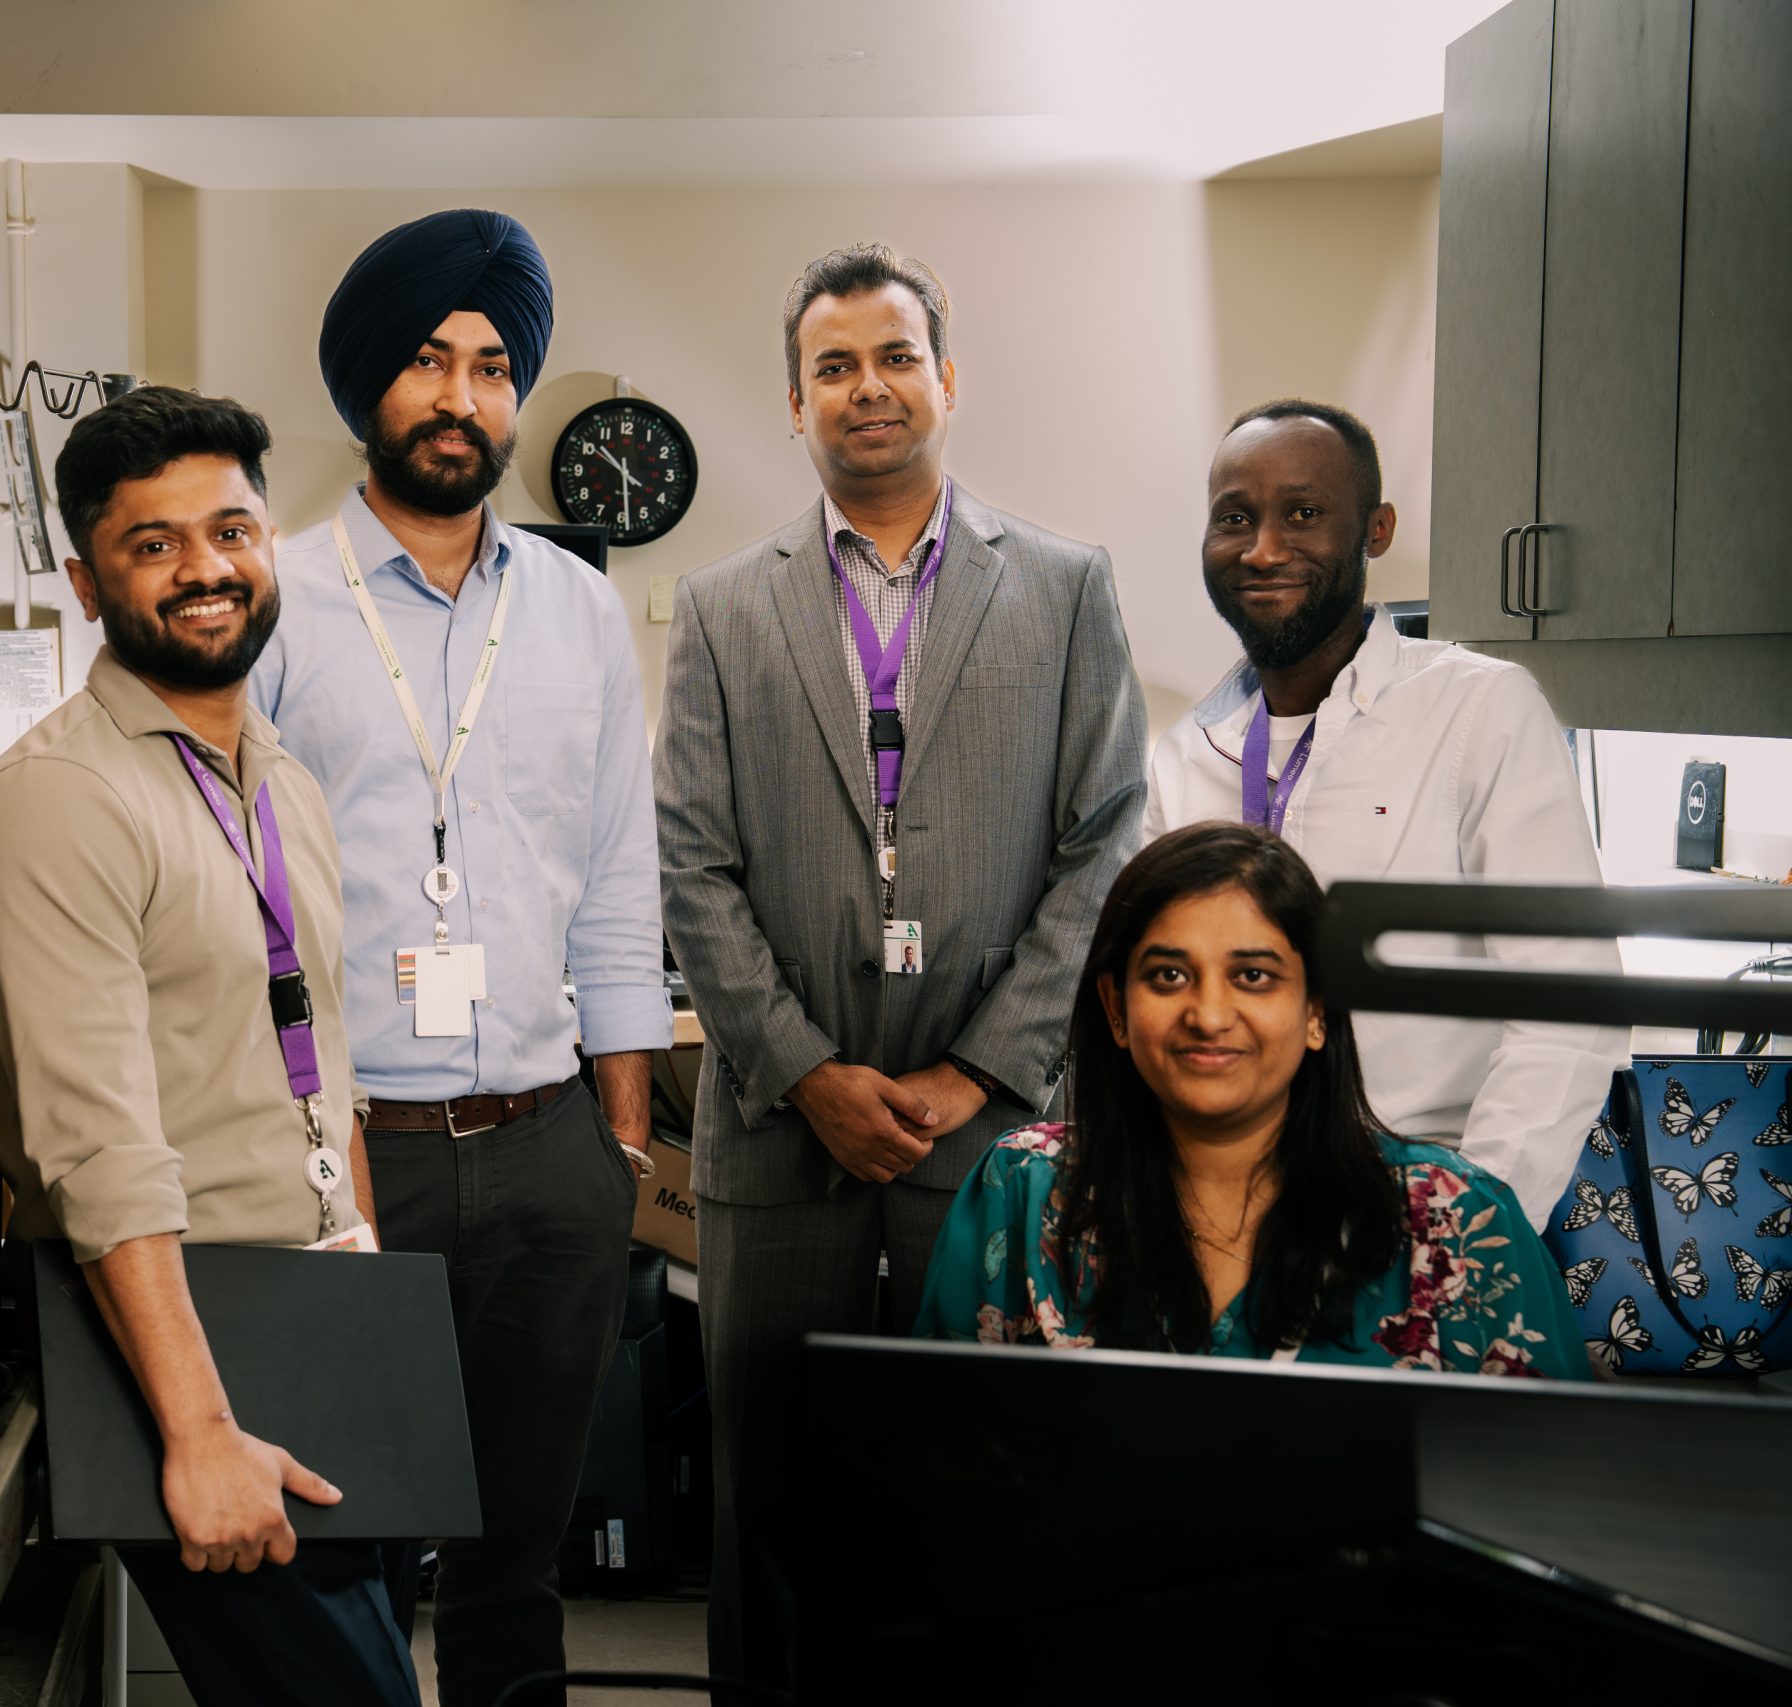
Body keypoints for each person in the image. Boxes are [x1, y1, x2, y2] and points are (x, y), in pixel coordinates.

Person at [654, 241, 1148, 1689]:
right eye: (833, 365)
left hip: (992, 1133)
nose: (867, 387)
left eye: (894, 356)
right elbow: (692, 861)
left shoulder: (1060, 587)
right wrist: (806, 1071)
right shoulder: (726, 605)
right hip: (776, 1134)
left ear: (947, 377)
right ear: (793, 401)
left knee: (987, 1489)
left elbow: (1106, 845)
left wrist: (973, 1069)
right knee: (771, 1495)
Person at [252, 208, 670, 1707]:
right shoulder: (276, 597)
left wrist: (620, 1140)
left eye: (494, 366)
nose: (462, 395)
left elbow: (621, 867)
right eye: (430, 360)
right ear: (371, 381)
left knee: (517, 1558)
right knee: (343, 1551)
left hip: (553, 1149)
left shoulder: (575, 605)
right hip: (354, 1159)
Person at [0, 387, 416, 1707]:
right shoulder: (54, 798)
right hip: (188, 1339)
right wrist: (200, 1425)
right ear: (89, 582)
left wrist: (363, 1297)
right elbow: (90, 1145)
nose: (207, 566)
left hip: (318, 1311)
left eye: (232, 528)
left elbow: (324, 1065)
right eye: (154, 544)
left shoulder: (283, 780)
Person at [1143, 400, 1629, 1227]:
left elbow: (1569, 1005)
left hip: (1417, 1197)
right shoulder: (1186, 752)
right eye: (1235, 517)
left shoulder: (1479, 711)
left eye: (1303, 513)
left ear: (1377, 530)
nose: (1262, 548)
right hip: (1223, 1210)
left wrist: (1467, 1229)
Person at [917, 821, 1593, 1380]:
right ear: (1116, 1010)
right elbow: (939, 1466)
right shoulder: (1022, 1191)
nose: (1209, 1014)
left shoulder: (1459, 1219)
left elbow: (1559, 1497)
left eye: (1253, 975)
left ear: (1317, 1011)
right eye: (1169, 974)